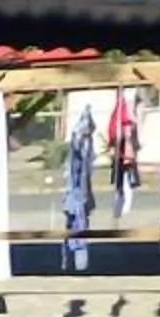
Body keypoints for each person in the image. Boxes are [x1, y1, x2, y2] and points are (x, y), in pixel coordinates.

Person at [64, 102, 98, 272]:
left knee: (80, 224)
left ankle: (78, 260)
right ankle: (76, 260)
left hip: (81, 193)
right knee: (75, 225)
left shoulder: (87, 146)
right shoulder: (78, 147)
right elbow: (76, 155)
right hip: (75, 193)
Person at [107, 91, 140, 223]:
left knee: (127, 183)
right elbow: (114, 134)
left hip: (127, 158)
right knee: (120, 184)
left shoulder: (129, 125)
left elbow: (133, 141)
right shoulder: (119, 122)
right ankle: (119, 207)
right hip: (121, 158)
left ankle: (125, 207)